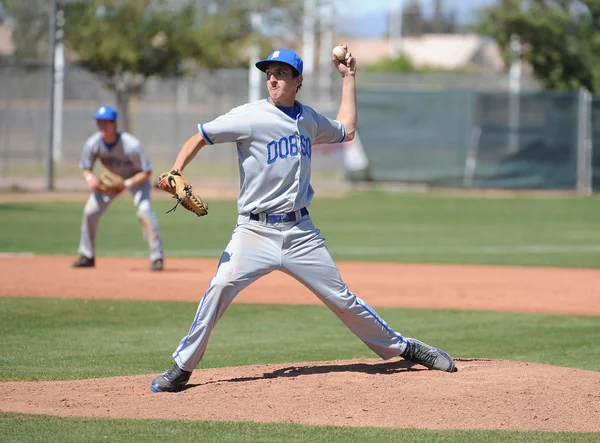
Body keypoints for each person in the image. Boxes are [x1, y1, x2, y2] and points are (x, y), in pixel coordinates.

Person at [150, 46, 455, 392]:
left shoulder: (308, 119)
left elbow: (347, 129)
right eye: (270, 73)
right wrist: (176, 169)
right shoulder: (249, 116)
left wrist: (348, 77)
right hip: (254, 231)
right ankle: (182, 367)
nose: (273, 79)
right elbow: (200, 136)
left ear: (298, 81)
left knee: (342, 299)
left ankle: (405, 348)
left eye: (281, 73)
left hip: (300, 232)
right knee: (219, 287)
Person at [71, 105, 165, 272]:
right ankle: (87, 256)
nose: (101, 126)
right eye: (99, 122)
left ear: (114, 124)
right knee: (90, 212)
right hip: (110, 182)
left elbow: (147, 171)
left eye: (105, 122)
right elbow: (86, 167)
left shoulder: (131, 145)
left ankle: (157, 257)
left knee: (144, 211)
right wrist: (90, 178)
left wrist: (127, 184)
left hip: (136, 180)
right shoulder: (93, 143)